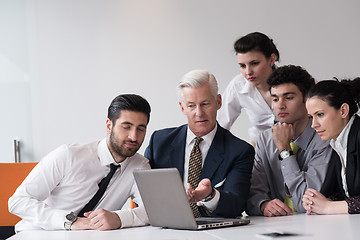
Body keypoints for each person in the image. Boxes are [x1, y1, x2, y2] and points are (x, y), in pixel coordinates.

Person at [9, 94, 151, 232]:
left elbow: (153, 210)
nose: (133, 136)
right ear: (109, 126)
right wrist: (69, 221)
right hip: (38, 234)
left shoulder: (139, 166)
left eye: (140, 129)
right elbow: (18, 201)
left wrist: (119, 218)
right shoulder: (69, 155)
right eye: (126, 127)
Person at [145, 69, 254, 218]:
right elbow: (144, 194)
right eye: (191, 106)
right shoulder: (159, 141)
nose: (199, 113)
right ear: (182, 107)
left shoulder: (240, 151)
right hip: (166, 228)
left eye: (205, 104)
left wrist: (210, 195)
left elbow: (236, 204)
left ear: (219, 101)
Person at [246, 65, 334, 216]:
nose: (280, 106)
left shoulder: (324, 138)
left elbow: (304, 203)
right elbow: (253, 194)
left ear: (306, 100)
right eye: (275, 99)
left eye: (289, 97)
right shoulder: (265, 139)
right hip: (276, 228)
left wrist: (284, 150)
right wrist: (263, 205)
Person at [302, 78, 360, 215]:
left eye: (320, 114)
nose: (313, 124)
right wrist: (315, 201)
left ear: (343, 111)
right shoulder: (338, 142)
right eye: (311, 117)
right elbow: (340, 193)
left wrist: (328, 207)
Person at [218, 32, 280, 145]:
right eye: (242, 66)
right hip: (259, 148)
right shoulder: (238, 85)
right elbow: (221, 125)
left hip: (297, 148)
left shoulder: (295, 80)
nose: (248, 72)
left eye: (254, 63)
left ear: (272, 59)